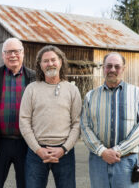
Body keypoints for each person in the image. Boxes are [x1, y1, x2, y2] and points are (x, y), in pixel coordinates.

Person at [80, 52, 139, 188]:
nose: (112, 69)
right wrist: (102, 151)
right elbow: (85, 126)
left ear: (123, 69)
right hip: (98, 161)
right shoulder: (90, 96)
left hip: (126, 161)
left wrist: (118, 150)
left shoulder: (137, 94)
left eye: (117, 66)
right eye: (109, 66)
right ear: (103, 68)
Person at [19, 45, 81, 188]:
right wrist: (38, 149)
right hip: (36, 153)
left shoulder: (72, 90)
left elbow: (77, 123)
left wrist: (64, 149)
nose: (50, 63)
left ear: (60, 62)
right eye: (45, 61)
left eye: (53, 59)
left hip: (64, 153)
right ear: (40, 65)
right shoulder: (31, 89)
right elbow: (24, 121)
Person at [0, 37, 35, 188]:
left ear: (23, 53)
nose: (12, 55)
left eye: (16, 51)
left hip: (27, 144)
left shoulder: (34, 78)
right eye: (8, 52)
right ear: (3, 55)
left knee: (27, 185)